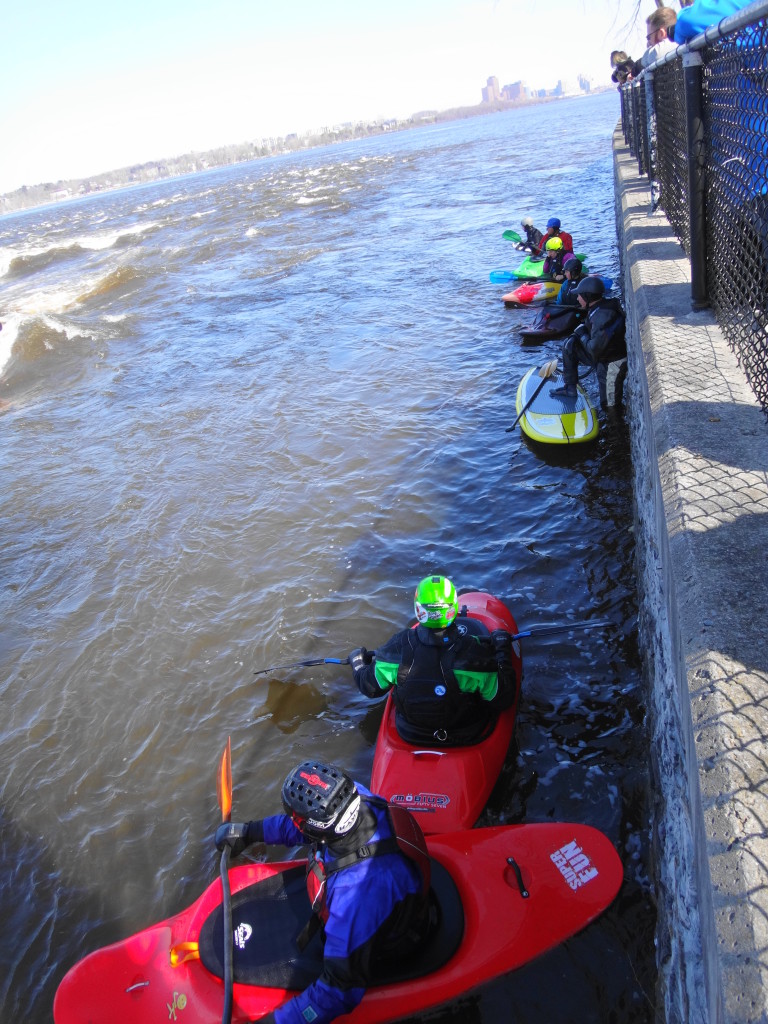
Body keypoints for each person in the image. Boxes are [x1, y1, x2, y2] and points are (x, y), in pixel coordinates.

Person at [215, 760, 431, 1024]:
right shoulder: (356, 796)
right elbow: (301, 829)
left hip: (385, 937)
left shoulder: (355, 898)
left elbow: (339, 992)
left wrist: (275, 1022)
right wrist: (249, 832)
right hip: (382, 892)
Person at [349, 575, 517, 745]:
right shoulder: (474, 653)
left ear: (418, 609)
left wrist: (357, 660)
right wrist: (502, 650)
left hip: (412, 730)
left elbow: (369, 687)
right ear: (453, 608)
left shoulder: (397, 647)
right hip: (465, 730)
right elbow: (504, 699)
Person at [550, 276, 627, 408]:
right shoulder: (598, 308)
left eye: (580, 295)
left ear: (588, 296)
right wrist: (578, 335)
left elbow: (594, 349)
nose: (577, 298)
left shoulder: (602, 316)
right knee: (570, 345)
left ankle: (615, 425)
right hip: (603, 357)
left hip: (612, 363)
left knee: (609, 405)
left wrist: (582, 334)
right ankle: (570, 388)